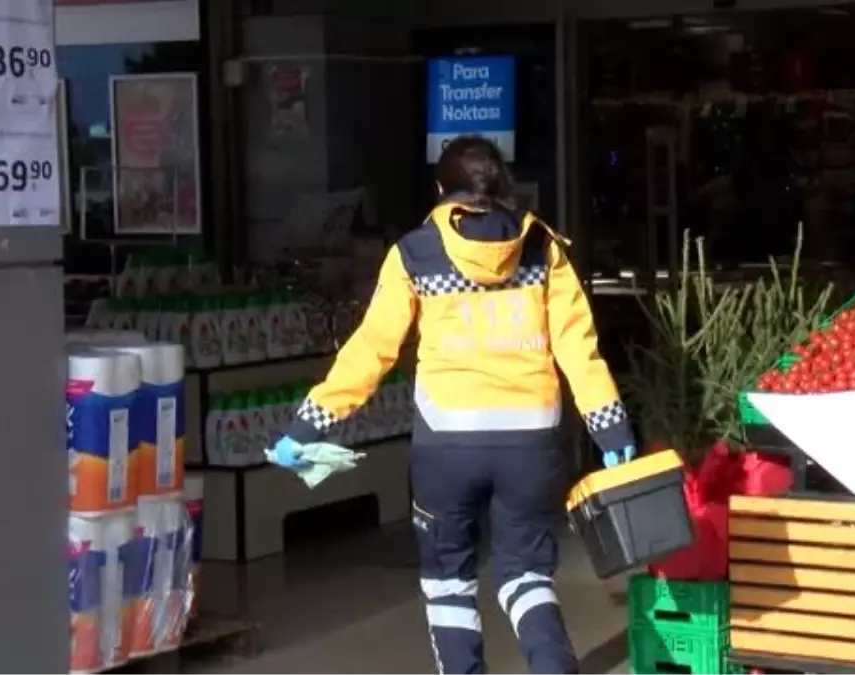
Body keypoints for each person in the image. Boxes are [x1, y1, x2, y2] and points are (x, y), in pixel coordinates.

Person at [269, 135, 637, 675]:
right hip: (531, 442)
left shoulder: (415, 252)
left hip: (447, 446)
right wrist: (613, 433)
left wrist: (308, 424)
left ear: (441, 190)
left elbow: (373, 350)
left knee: (448, 582)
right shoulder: (543, 248)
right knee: (526, 576)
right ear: (501, 185)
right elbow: (579, 351)